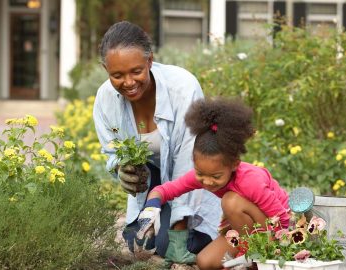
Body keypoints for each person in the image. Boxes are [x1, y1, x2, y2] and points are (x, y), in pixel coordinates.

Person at [93, 21, 222, 264]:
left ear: (150, 61)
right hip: (153, 185)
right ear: (105, 69)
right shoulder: (105, 98)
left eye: (136, 71)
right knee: (137, 240)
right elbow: (112, 151)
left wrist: (179, 232)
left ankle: (208, 232)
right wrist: (121, 169)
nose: (128, 83)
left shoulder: (183, 88)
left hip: (196, 181)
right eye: (117, 75)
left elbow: (190, 162)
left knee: (165, 244)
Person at [137, 98, 290, 269]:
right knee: (205, 262)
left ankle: (254, 258)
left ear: (234, 164)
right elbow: (165, 190)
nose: (208, 182)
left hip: (274, 228)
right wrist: (151, 207)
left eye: (216, 176)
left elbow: (282, 219)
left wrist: (264, 252)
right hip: (245, 229)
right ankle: (248, 255)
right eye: (200, 173)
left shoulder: (250, 181)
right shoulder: (203, 175)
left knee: (230, 201)